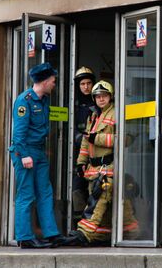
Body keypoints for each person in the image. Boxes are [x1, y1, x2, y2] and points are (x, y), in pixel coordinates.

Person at [58, 80, 139, 246]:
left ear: (110, 97)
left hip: (109, 167)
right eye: (98, 96)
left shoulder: (117, 113)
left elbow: (126, 139)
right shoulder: (93, 115)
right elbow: (86, 142)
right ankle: (126, 232)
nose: (101, 99)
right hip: (93, 168)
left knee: (97, 200)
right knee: (114, 205)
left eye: (104, 96)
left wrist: (99, 138)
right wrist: (81, 163)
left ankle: (84, 232)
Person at [9, 63, 64, 249]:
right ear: (46, 81)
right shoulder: (24, 101)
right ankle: (24, 237)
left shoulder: (44, 99)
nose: (54, 84)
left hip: (39, 151)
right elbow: (19, 133)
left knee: (45, 192)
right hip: (25, 151)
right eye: (53, 81)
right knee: (26, 194)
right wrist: (24, 155)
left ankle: (51, 234)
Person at [71, 66, 97, 224]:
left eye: (88, 83)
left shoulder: (99, 102)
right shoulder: (73, 104)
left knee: (94, 188)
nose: (86, 87)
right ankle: (78, 224)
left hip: (96, 152)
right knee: (77, 188)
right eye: (82, 84)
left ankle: (92, 224)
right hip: (77, 152)